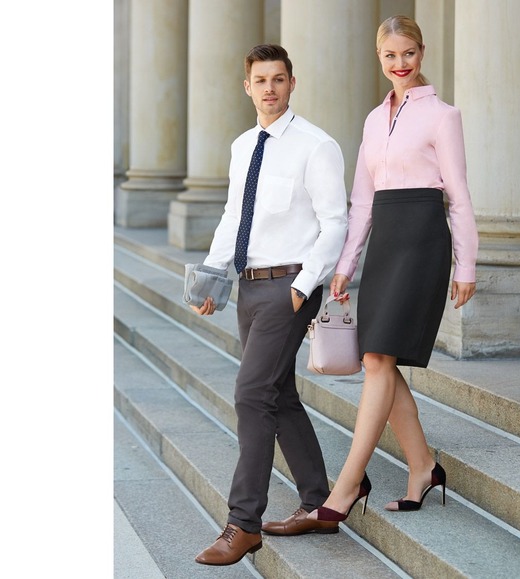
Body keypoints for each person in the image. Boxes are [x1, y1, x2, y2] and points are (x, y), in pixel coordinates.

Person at [302, 15, 478, 529]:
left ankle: (345, 487)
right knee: (377, 358)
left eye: (409, 53)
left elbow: (459, 196)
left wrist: (466, 263)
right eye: (390, 56)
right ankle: (422, 467)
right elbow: (362, 202)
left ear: (422, 53)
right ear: (379, 59)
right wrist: (345, 264)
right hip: (384, 245)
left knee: (378, 357)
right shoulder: (373, 121)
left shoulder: (444, 116)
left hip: (424, 240)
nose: (400, 64)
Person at [192, 44, 349, 566]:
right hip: (249, 287)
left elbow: (336, 223)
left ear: (291, 83)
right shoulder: (243, 146)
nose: (270, 89)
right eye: (260, 80)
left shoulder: (316, 145)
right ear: (247, 87)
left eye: (278, 79)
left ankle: (243, 524)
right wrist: (212, 278)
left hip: (289, 288)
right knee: (278, 395)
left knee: (251, 394)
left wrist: (305, 286)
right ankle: (319, 502)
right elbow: (234, 216)